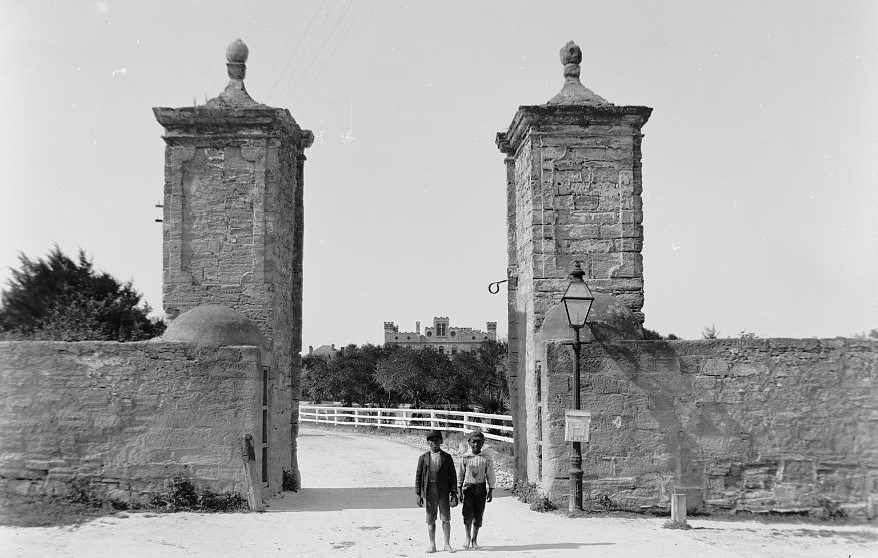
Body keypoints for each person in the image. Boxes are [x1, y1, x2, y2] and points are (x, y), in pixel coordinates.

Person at [415, 430, 458, 553]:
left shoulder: (447, 457)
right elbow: (418, 476)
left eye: (437, 440)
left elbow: (453, 476)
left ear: (441, 441)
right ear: (428, 442)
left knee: (445, 518)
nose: (435, 443)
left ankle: (447, 544)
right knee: (430, 518)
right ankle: (432, 544)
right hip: (430, 491)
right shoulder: (423, 458)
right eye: (432, 440)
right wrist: (418, 494)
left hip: (444, 492)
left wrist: (454, 493)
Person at [457, 429, 495, 549]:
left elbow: (490, 474)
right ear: (469, 442)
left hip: (481, 489)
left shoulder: (486, 458)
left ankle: (474, 539)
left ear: (482, 443)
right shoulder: (465, 458)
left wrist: (491, 490)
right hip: (468, 488)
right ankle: (467, 537)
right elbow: (460, 475)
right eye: (473, 442)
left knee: (478, 515)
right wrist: (459, 490)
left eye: (479, 442)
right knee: (467, 515)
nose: (476, 444)